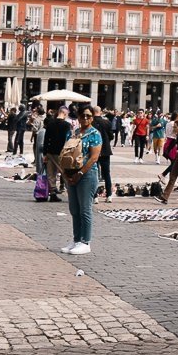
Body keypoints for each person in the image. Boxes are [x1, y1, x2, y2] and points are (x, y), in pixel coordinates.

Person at [62, 107, 105, 255]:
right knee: (74, 209)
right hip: (71, 173)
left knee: (85, 209)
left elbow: (94, 158)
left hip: (87, 174)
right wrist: (66, 172)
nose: (85, 118)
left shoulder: (95, 134)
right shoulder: (73, 133)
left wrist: (80, 173)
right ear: (78, 117)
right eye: (82, 115)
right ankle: (76, 239)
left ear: (92, 117)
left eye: (88, 116)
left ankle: (85, 242)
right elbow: (66, 152)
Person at [41, 107, 71, 202]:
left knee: (51, 173)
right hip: (62, 153)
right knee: (65, 173)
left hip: (50, 152)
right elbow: (68, 139)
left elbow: (46, 139)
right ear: (65, 114)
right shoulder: (67, 125)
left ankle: (52, 193)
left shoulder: (50, 123)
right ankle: (71, 193)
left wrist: (45, 153)